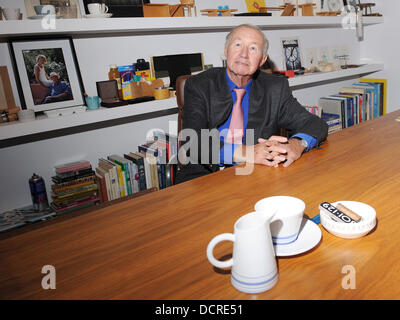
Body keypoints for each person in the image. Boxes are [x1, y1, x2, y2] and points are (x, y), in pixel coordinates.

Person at [176, 24, 328, 183]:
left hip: (256, 176)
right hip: (205, 176)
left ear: (262, 60)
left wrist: (298, 144)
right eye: (238, 45)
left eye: (253, 48)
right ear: (226, 50)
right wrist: (247, 152)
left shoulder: (275, 88)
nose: (244, 54)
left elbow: (314, 123)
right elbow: (193, 141)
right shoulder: (199, 85)